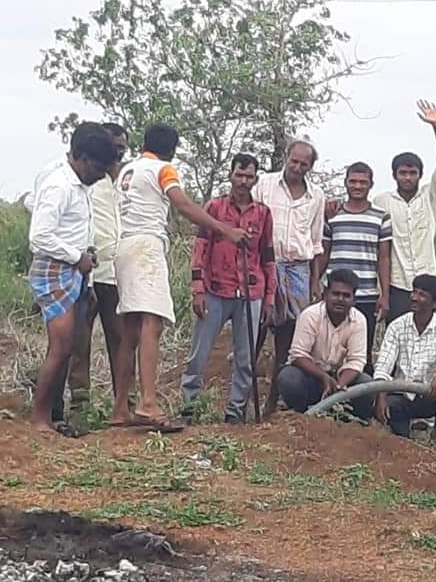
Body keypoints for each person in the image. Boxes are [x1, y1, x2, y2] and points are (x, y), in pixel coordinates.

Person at [110, 124, 246, 430]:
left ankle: (120, 407)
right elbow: (182, 204)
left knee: (131, 328)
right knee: (152, 323)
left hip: (124, 246)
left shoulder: (127, 170)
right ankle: (147, 403)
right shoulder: (163, 169)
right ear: (171, 148)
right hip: (146, 247)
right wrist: (224, 229)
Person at [27, 122, 118, 432]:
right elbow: (40, 236)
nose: (101, 174)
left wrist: (85, 274)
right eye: (98, 166)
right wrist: (76, 257)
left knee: (66, 347)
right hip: (55, 270)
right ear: (80, 157)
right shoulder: (59, 185)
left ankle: (50, 416)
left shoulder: (80, 187)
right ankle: (40, 417)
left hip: (74, 273)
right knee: (61, 347)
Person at [181, 153, 276, 424]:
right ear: (230, 175)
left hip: (250, 292)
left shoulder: (263, 214)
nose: (243, 181)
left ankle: (235, 413)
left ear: (256, 179)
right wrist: (197, 287)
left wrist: (269, 297)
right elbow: (201, 247)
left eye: (249, 176)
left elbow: (268, 255)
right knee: (199, 354)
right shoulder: (214, 208)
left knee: (245, 359)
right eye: (239, 175)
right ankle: (190, 408)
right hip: (214, 289)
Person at [254, 139, 327, 414]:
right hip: (266, 263)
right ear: (286, 157)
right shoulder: (264, 184)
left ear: (310, 167)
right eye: (293, 161)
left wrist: (315, 280)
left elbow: (316, 241)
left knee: (288, 337)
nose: (297, 167)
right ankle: (242, 405)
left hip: (298, 268)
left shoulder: (315, 196)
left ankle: (274, 403)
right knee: (256, 331)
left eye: (303, 164)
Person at [64, 122, 130, 419]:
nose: (118, 150)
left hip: (119, 271)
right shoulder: (86, 178)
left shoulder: (129, 178)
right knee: (80, 340)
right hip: (88, 270)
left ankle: (124, 405)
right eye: (113, 145)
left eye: (122, 146)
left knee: (121, 339)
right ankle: (80, 407)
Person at [374, 100, 436, 321]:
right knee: (396, 335)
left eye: (412, 173)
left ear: (420, 175)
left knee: (427, 337)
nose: (408, 178)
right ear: (394, 175)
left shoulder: (430, 196)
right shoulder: (382, 201)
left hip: (428, 281)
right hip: (398, 284)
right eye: (403, 173)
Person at [314, 162, 391, 372]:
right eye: (353, 181)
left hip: (365, 294)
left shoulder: (381, 216)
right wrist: (315, 283)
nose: (357, 186)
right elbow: (324, 251)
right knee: (327, 347)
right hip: (334, 294)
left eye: (362, 182)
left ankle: (362, 401)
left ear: (370, 184)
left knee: (361, 352)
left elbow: (384, 257)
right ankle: (327, 398)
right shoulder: (333, 214)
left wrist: (385, 295)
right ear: (346, 183)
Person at [277, 269, 372, 418]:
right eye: (335, 294)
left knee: (366, 384)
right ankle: (301, 416)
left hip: (342, 380)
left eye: (346, 296)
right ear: (325, 294)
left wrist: (339, 385)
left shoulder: (359, 320)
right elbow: (298, 354)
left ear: (354, 300)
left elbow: (357, 361)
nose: (340, 299)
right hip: (312, 377)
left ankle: (355, 426)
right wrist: (324, 377)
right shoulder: (310, 315)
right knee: (288, 378)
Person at [374, 274, 436, 438]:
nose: (414, 298)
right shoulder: (397, 326)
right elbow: (383, 365)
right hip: (402, 395)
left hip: (433, 396)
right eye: (414, 292)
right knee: (391, 410)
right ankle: (402, 434)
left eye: (422, 295)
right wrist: (380, 397)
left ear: (435, 303)